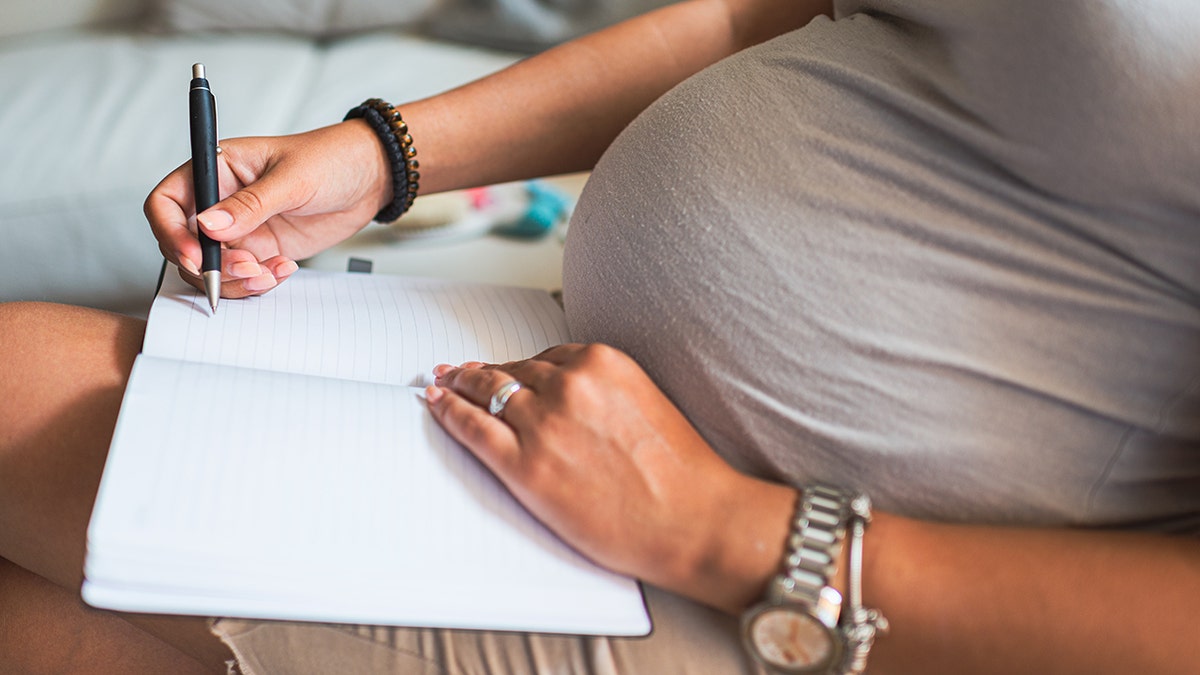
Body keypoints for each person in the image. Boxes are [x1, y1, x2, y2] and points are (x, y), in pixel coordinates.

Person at [1, 0, 1197, 672]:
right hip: (564, 393)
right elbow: (777, 15)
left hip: (804, 591)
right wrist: (384, 157)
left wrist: (728, 530)